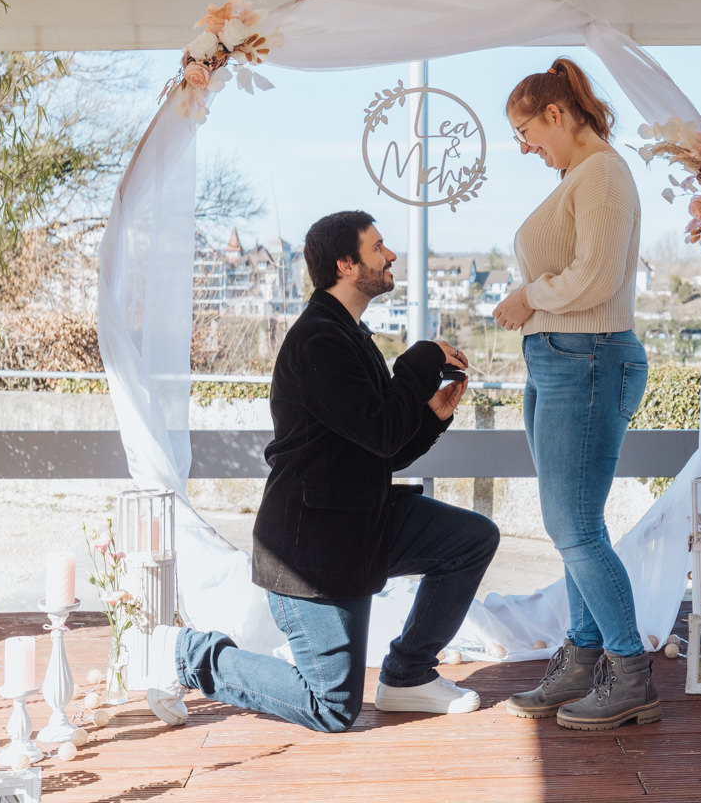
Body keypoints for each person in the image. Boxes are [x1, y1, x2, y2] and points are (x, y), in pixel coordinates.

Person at [135, 210, 500, 732]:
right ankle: (186, 654)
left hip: (362, 521)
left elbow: (382, 448)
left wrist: (429, 419)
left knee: (470, 539)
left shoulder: (348, 335)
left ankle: (408, 675)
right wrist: (420, 360)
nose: (391, 255)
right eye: (378, 248)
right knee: (331, 707)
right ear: (346, 264)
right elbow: (379, 430)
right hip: (313, 547)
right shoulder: (318, 342)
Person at [492, 57, 657, 731]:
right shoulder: (584, 177)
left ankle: (630, 673)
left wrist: (530, 295)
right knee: (570, 531)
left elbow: (595, 275)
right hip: (561, 362)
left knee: (575, 529)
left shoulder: (604, 176)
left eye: (526, 131)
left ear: (556, 114)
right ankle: (586, 660)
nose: (525, 147)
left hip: (586, 361)